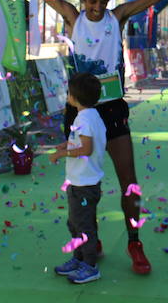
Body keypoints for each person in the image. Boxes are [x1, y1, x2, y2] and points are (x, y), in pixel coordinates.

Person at [26, 0, 168, 275]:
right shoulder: (71, 16)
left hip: (112, 111)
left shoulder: (118, 16)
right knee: (83, 185)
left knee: (129, 183)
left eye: (102, 0)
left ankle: (134, 242)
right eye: (91, 1)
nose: (97, 7)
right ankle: (89, 244)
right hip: (79, 112)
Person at [49, 72, 107, 284]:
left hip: (84, 184)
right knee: (76, 223)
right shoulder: (91, 116)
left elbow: (87, 148)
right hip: (81, 182)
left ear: (74, 97)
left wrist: (62, 153)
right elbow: (82, 141)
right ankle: (79, 258)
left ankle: (89, 265)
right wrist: (66, 145)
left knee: (84, 226)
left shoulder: (84, 117)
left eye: (69, 92)